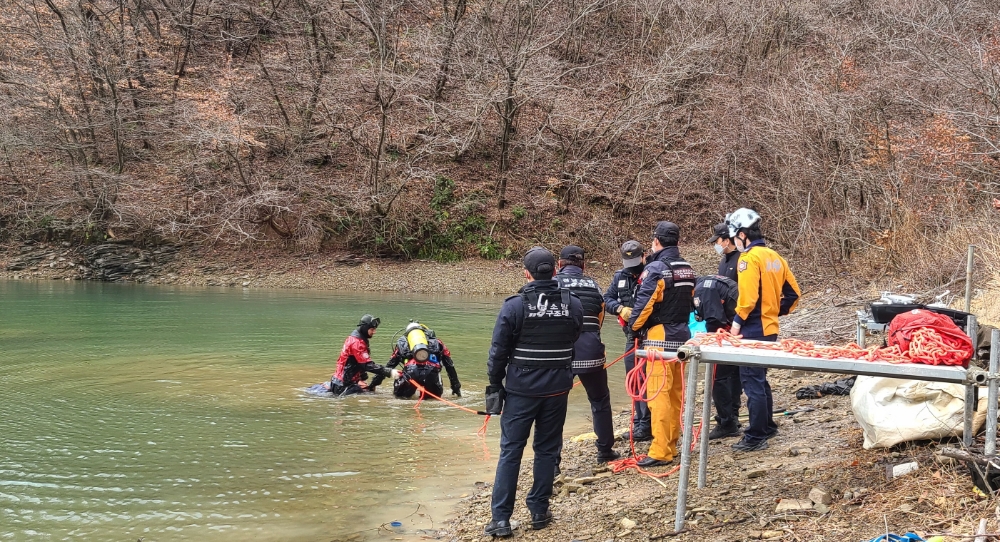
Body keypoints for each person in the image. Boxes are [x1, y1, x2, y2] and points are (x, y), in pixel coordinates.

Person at [484, 247, 584, 537]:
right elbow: (574, 335)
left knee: (511, 451)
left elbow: (498, 351)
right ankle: (539, 511)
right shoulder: (573, 304)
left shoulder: (514, 306)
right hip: (557, 389)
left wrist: (494, 384)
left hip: (521, 390)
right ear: (555, 271)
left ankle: (501, 518)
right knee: (547, 450)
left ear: (526, 273)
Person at [726, 208, 801, 452]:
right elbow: (794, 294)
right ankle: (767, 425)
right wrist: (773, 311)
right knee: (760, 378)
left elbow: (747, 299)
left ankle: (756, 435)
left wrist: (736, 324)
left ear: (742, 234)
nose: (734, 242)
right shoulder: (775, 256)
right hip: (770, 328)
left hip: (752, 329)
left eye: (734, 237)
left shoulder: (747, 259)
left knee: (751, 381)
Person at [627, 222, 696, 468]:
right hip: (682, 335)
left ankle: (660, 450)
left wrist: (632, 328)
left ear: (656, 240)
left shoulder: (656, 268)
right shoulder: (686, 267)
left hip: (659, 336)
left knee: (658, 395)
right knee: (676, 393)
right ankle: (672, 444)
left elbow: (644, 304)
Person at [555, 245, 619, 463]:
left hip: (560, 353)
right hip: (591, 351)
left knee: (554, 406)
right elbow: (600, 319)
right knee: (600, 399)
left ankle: (553, 461)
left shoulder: (553, 284)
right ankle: (605, 450)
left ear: (559, 265)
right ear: (583, 265)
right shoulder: (593, 285)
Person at [603, 240, 652, 441]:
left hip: (651, 335)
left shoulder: (652, 274)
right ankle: (638, 422)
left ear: (644, 255)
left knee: (648, 379)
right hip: (631, 336)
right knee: (633, 378)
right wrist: (619, 308)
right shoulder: (620, 276)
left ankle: (647, 424)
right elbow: (606, 299)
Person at [693, 274, 743, 439]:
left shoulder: (703, 289)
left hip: (732, 330)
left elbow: (715, 320)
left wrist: (708, 341)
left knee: (718, 377)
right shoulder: (712, 282)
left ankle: (726, 422)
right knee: (734, 373)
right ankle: (733, 416)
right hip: (742, 327)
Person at [368, 322, 462, 399]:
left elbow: (389, 366)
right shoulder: (438, 342)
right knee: (431, 401)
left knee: (402, 400)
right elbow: (450, 366)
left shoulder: (402, 344)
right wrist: (456, 387)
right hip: (432, 373)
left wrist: (373, 384)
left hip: (410, 373)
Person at [329, 315, 401, 397]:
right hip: (344, 386)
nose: (374, 332)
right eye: (372, 329)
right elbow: (367, 365)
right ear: (365, 328)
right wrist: (389, 372)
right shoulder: (357, 343)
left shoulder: (355, 338)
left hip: (339, 381)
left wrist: (362, 378)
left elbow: (355, 362)